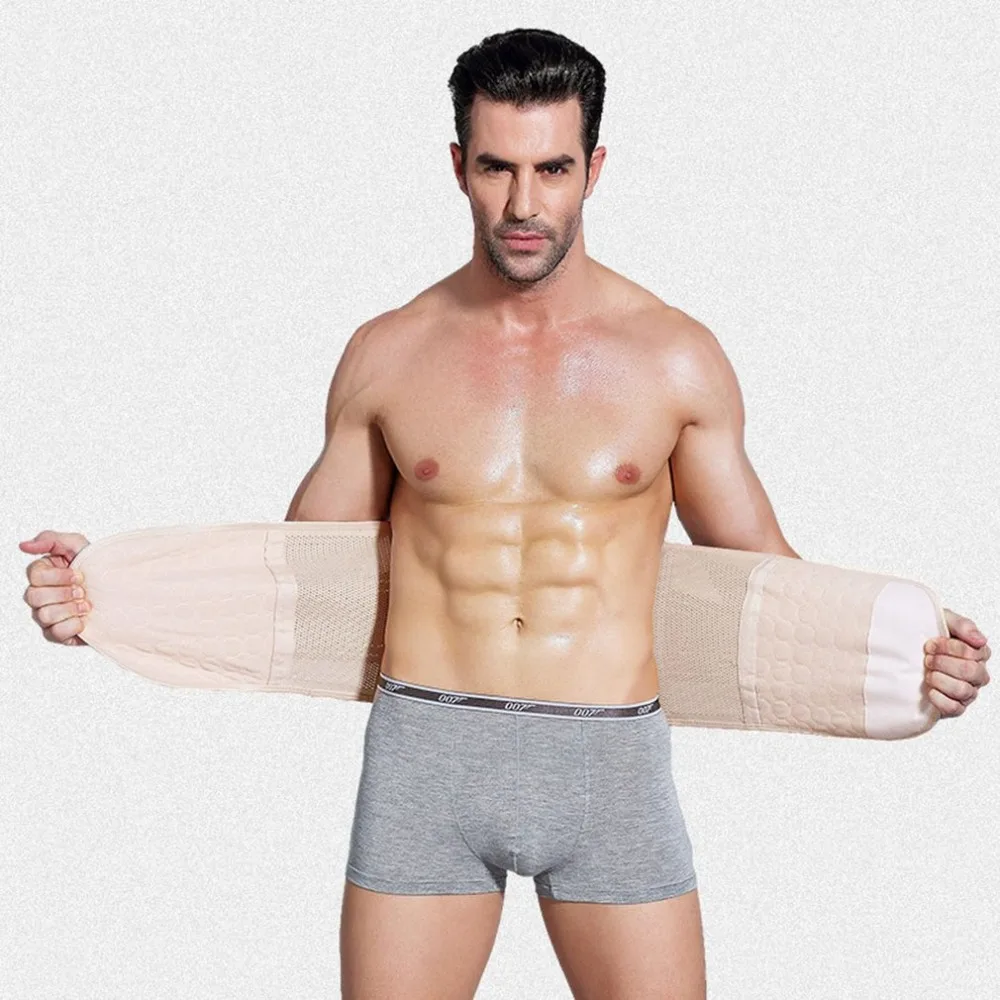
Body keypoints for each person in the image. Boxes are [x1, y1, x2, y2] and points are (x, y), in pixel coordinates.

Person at [20, 27, 991, 1000]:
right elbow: (301, 577)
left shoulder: (674, 357)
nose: (524, 204)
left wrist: (907, 650)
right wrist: (106, 594)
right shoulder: (390, 351)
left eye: (552, 169)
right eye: (497, 168)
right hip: (427, 756)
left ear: (593, 169)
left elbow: (765, 574)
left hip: (609, 761)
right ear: (459, 167)